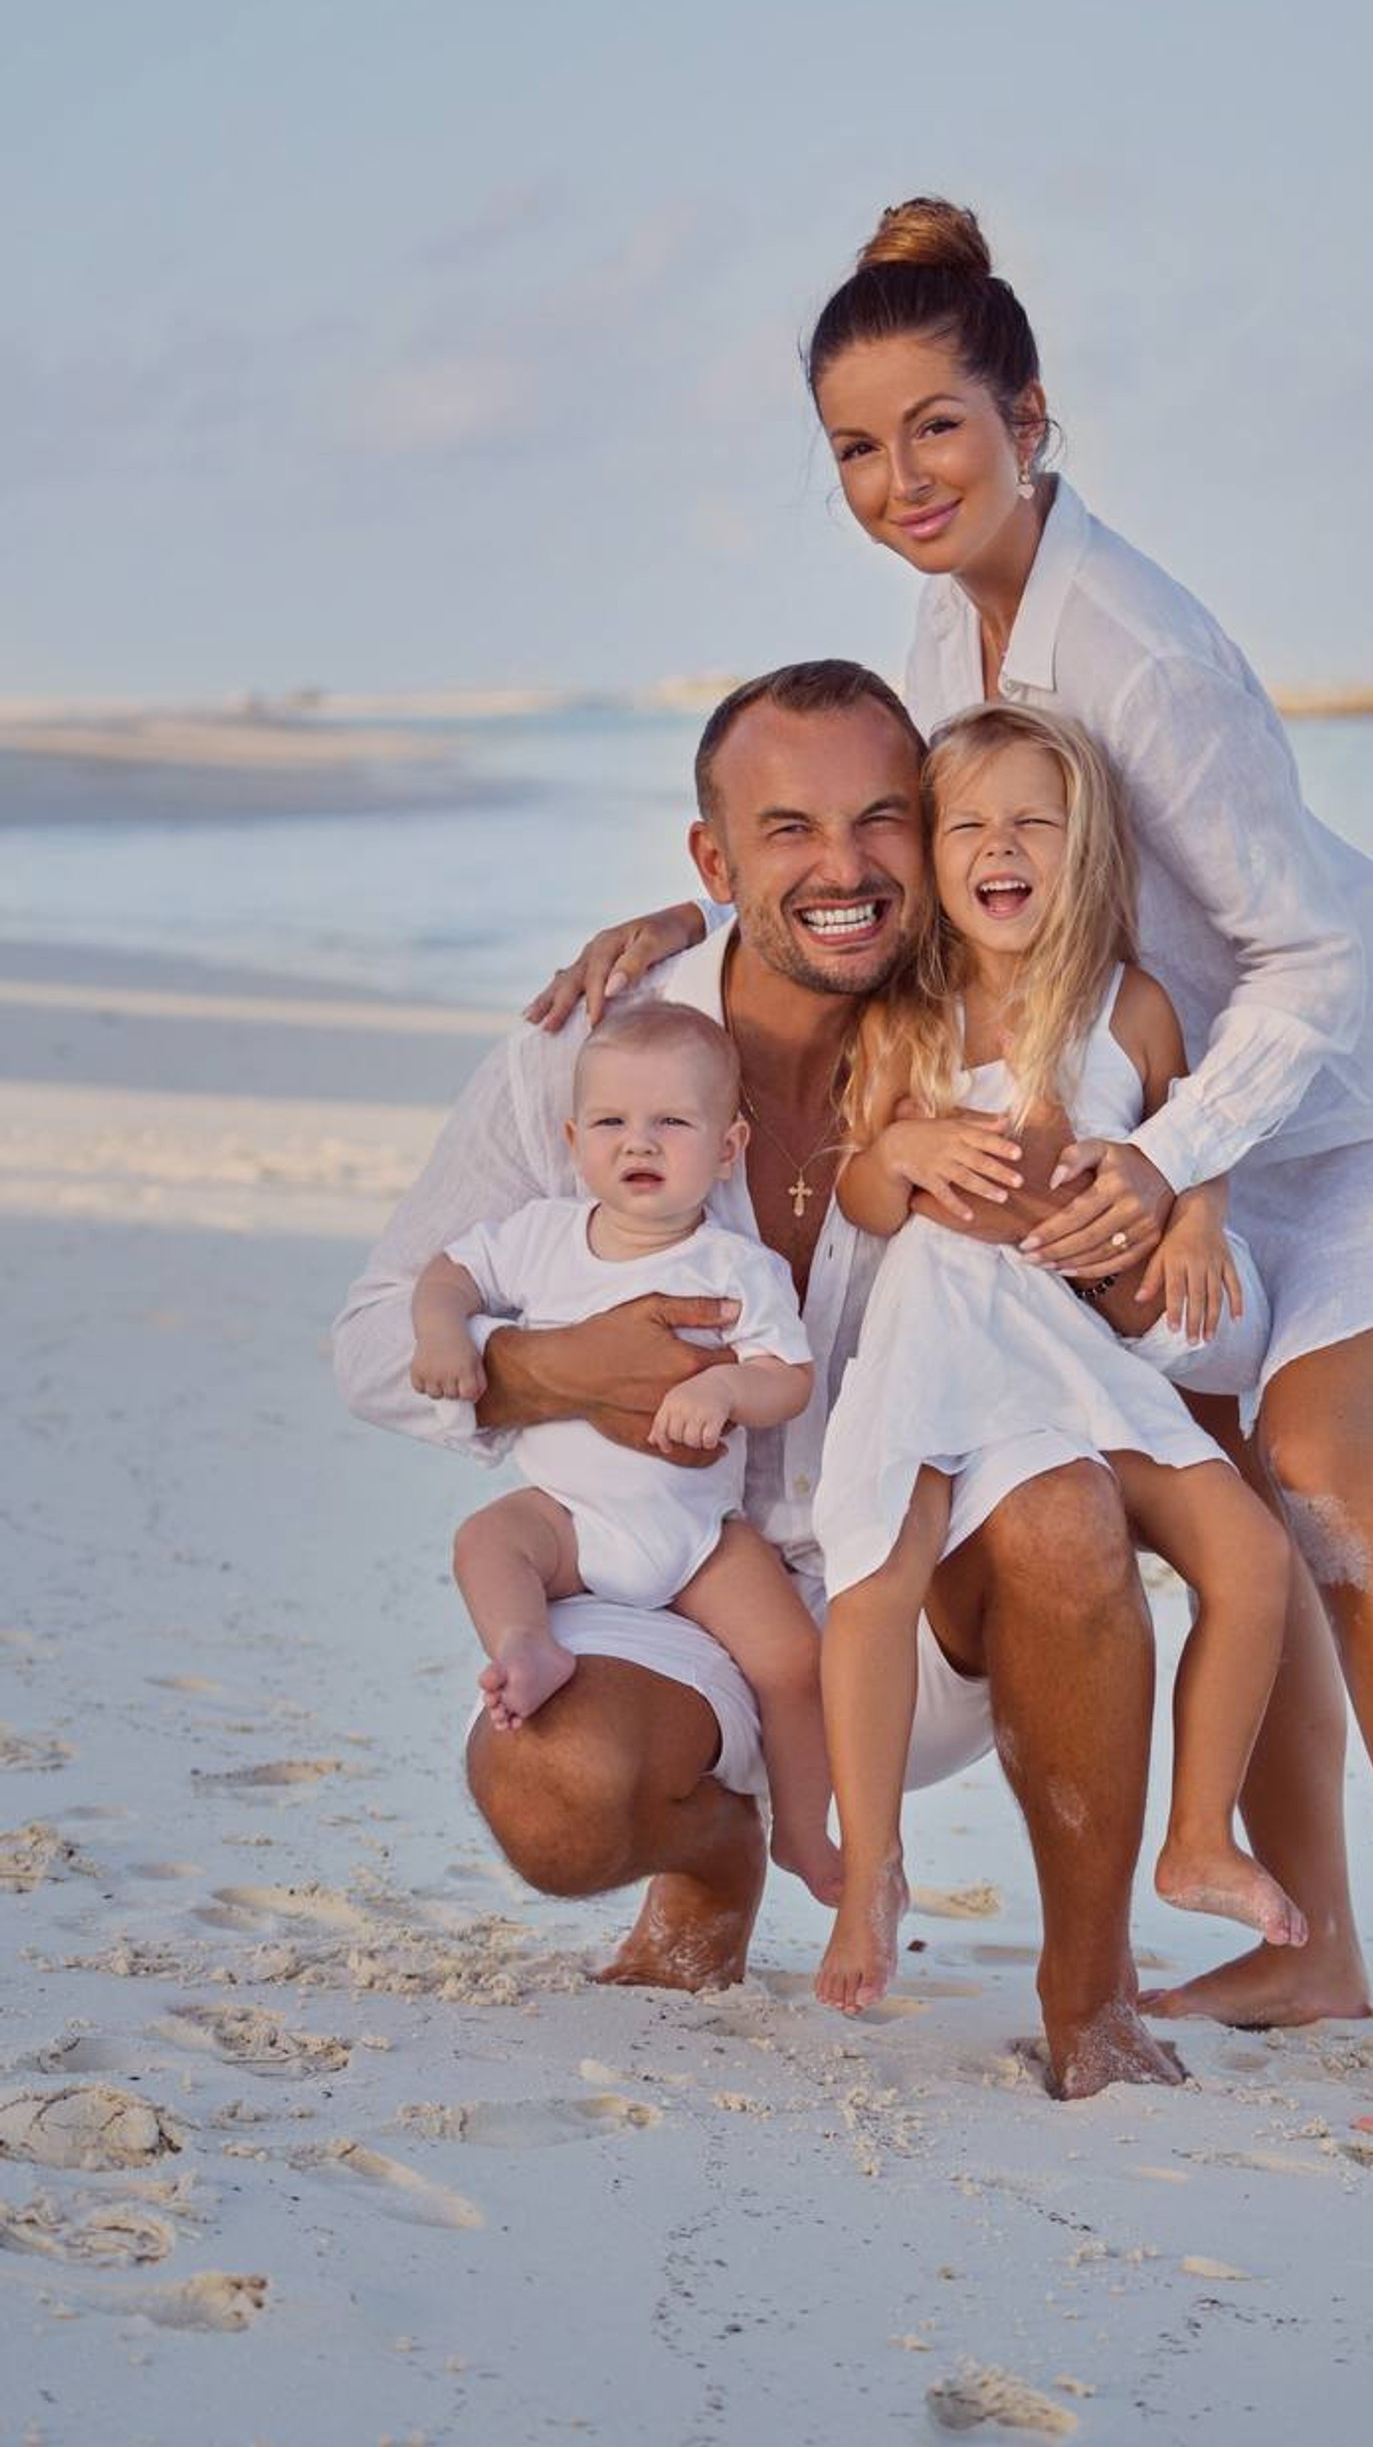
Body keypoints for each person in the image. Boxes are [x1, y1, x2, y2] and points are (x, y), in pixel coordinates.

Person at [530, 201, 1373, 2142]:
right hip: (1168, 1093)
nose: (898, 477)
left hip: (1361, 1092)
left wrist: (1171, 1164)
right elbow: (905, 874)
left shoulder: (1140, 647)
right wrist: (685, 937)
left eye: (937, 428)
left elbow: (1310, 963)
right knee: (1218, 1455)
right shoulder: (947, 615)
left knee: (1320, 1465)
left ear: (1029, 418)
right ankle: (1313, 1935)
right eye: (855, 444)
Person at [335, 659, 1189, 2098]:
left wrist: (1132, 1240)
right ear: (712, 862)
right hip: (672, 1587)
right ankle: (716, 1852)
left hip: (919, 1598)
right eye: (787, 829)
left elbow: (1195, 1323)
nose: (842, 868)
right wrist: (551, 1369)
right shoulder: (589, 1054)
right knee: (550, 1794)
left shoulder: (1012, 1034)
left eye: (881, 819)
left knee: (1064, 1507)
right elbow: (372, 1338)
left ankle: (1091, 1997)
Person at [814, 702, 1302, 2014]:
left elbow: (1195, 1139)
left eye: (1034, 820)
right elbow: (861, 1193)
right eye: (968, 824)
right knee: (877, 1571)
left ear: (1084, 847)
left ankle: (1196, 1835)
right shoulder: (911, 1013)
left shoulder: (1129, 1008)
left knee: (1251, 1560)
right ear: (931, 854)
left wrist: (1196, 1220)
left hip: (1068, 1342)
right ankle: (871, 1868)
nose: (1001, 845)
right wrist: (902, 1151)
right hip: (938, 1324)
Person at [408, 998, 840, 1904]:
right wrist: (448, 1332)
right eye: (610, 1123)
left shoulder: (734, 1266)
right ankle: (528, 1644)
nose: (638, 1142)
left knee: (795, 1661)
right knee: (486, 1539)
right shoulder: (543, 1238)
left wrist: (725, 1389)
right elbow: (448, 1273)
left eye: (671, 1123)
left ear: (727, 1148)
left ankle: (803, 1828)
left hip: (698, 1534)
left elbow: (788, 1377)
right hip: (567, 1518)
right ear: (574, 1141)